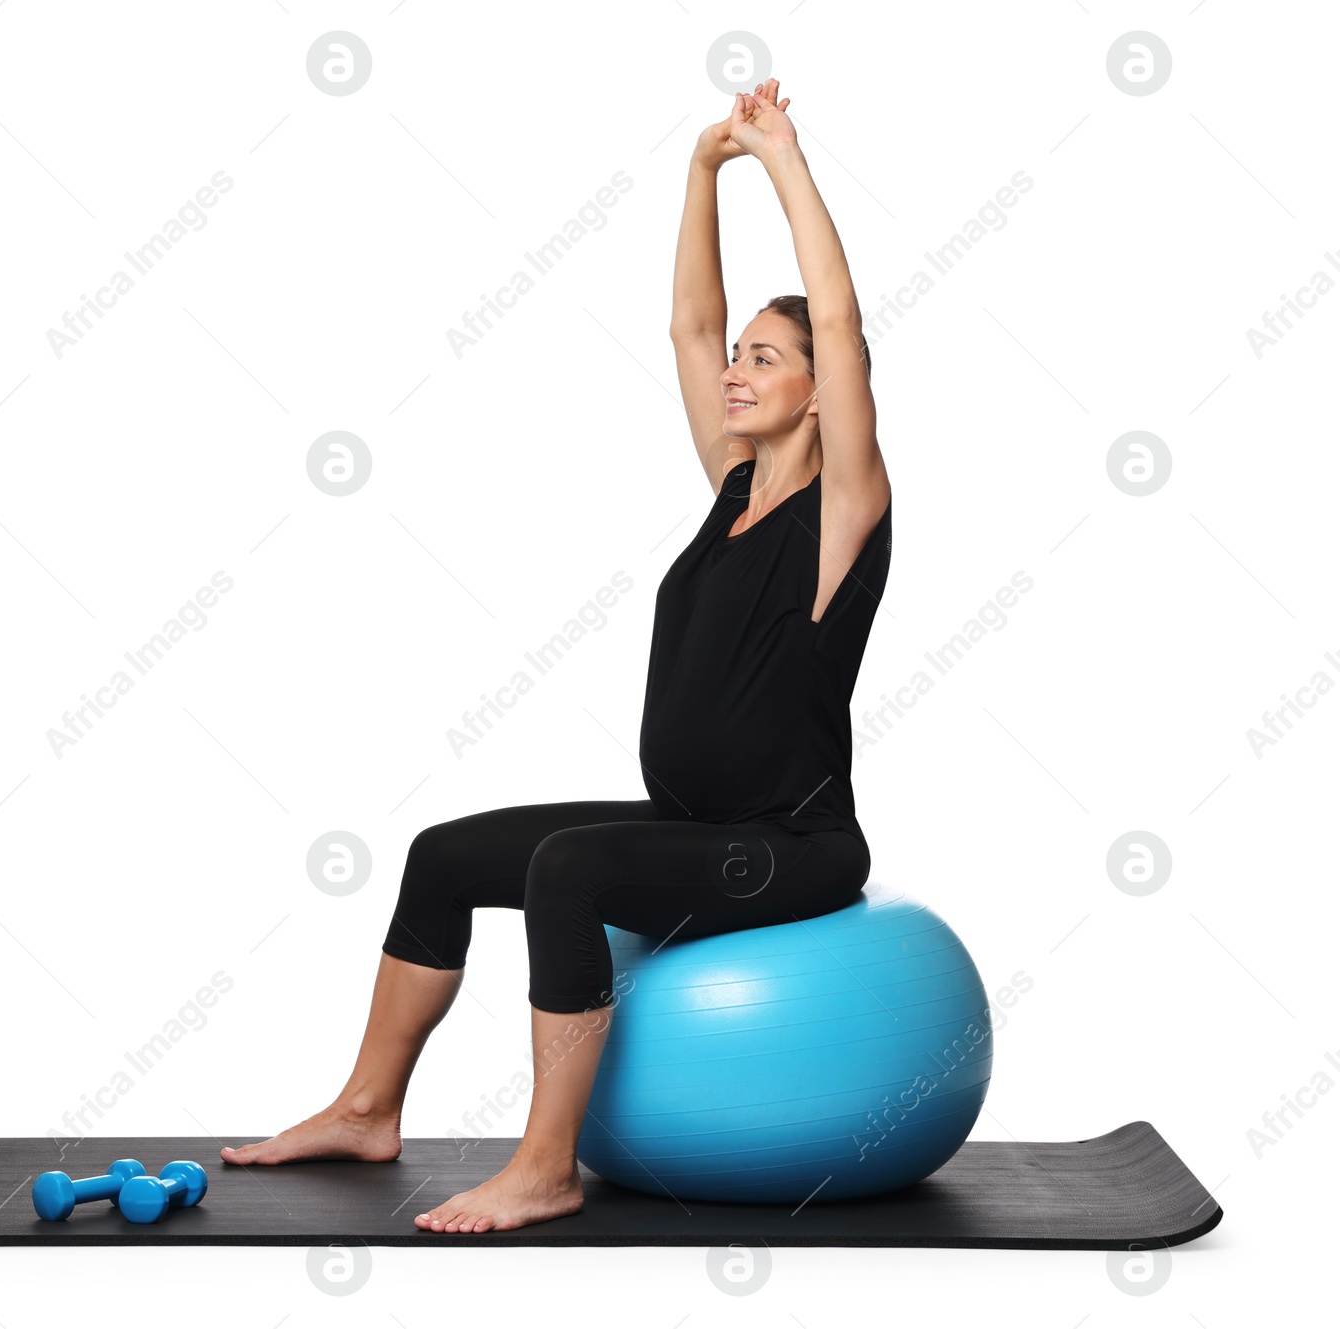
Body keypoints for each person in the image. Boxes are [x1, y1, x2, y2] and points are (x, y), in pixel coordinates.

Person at [222, 77, 894, 1233]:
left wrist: (780, 161)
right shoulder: (732, 487)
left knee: (569, 870)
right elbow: (683, 326)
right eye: (742, 354)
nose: (736, 368)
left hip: (790, 850)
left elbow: (838, 321)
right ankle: (367, 1107)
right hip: (693, 827)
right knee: (442, 856)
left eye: (766, 361)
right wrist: (698, 173)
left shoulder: (843, 512)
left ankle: (545, 1166)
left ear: (824, 397)